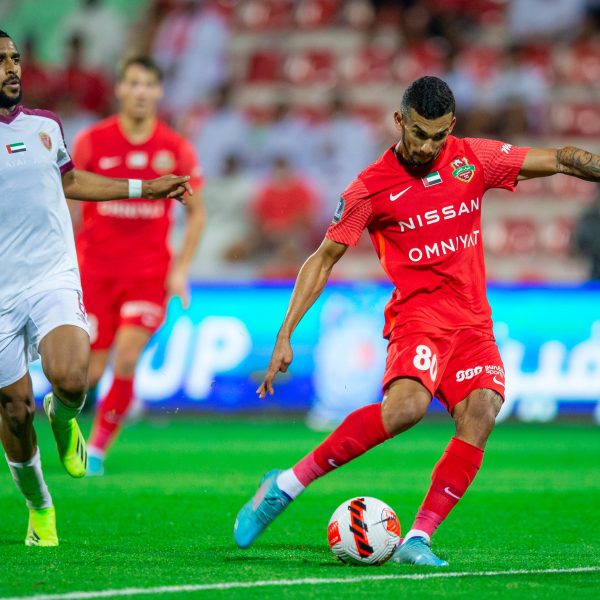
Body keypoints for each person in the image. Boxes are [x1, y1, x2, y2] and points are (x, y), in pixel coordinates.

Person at [233, 75, 600, 566]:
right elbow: (322, 259)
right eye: (419, 133)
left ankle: (418, 538)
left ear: (452, 127)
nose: (428, 146)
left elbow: (559, 158)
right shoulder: (369, 188)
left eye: (439, 136)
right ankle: (284, 484)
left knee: (483, 411)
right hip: (419, 318)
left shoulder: (473, 159)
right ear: (399, 121)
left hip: (472, 324)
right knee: (405, 409)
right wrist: (285, 334)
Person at [0, 30, 192, 546]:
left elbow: (71, 183)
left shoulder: (45, 126)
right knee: (14, 412)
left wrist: (146, 187)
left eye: (15, 58)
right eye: (1, 61)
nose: (12, 68)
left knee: (72, 375)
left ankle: (65, 419)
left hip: (51, 276)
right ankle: (40, 507)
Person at [69, 56, 204, 476]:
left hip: (148, 275)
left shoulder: (175, 148)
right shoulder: (92, 141)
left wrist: (180, 269)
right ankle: (63, 428)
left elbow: (197, 212)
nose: (141, 91)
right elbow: (69, 201)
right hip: (96, 273)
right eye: (133, 83)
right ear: (120, 89)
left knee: (126, 358)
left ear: (159, 91)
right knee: (84, 374)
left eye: (149, 83)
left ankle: (97, 450)